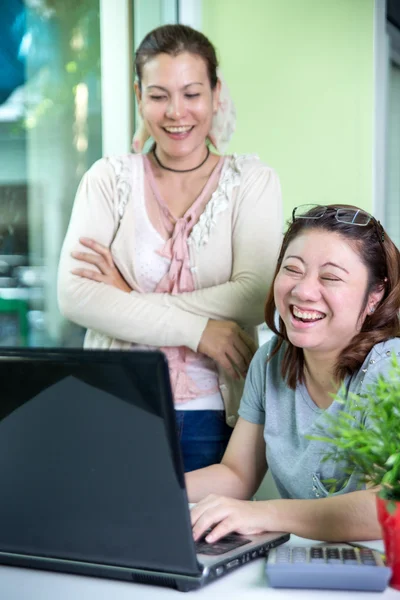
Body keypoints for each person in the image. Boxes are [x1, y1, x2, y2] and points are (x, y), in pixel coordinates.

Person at [57, 24, 282, 472]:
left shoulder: (251, 182)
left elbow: (256, 295)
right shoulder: (108, 179)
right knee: (107, 537)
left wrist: (126, 300)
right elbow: (75, 295)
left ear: (217, 93)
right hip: (113, 402)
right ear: (139, 96)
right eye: (159, 95)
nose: (177, 112)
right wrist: (198, 330)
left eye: (192, 93)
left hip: (212, 415)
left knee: (204, 542)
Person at [188, 203, 400, 542]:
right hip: (303, 559)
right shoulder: (270, 360)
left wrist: (263, 513)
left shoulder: (391, 369)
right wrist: (153, 488)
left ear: (375, 295)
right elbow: (237, 474)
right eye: (292, 269)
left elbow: (389, 506)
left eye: (330, 277)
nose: (302, 291)